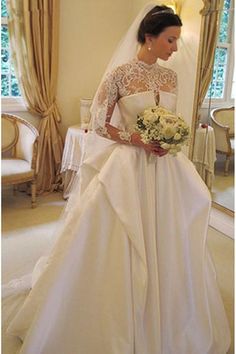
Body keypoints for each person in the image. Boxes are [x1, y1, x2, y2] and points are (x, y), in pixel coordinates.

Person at [5, 4, 230, 354]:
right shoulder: (120, 75)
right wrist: (136, 139)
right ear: (149, 38)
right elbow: (99, 124)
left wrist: (168, 139)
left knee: (171, 229)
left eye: (176, 41)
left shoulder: (171, 77)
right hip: (128, 165)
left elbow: (172, 119)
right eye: (170, 40)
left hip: (164, 167)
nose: (175, 48)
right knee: (117, 236)